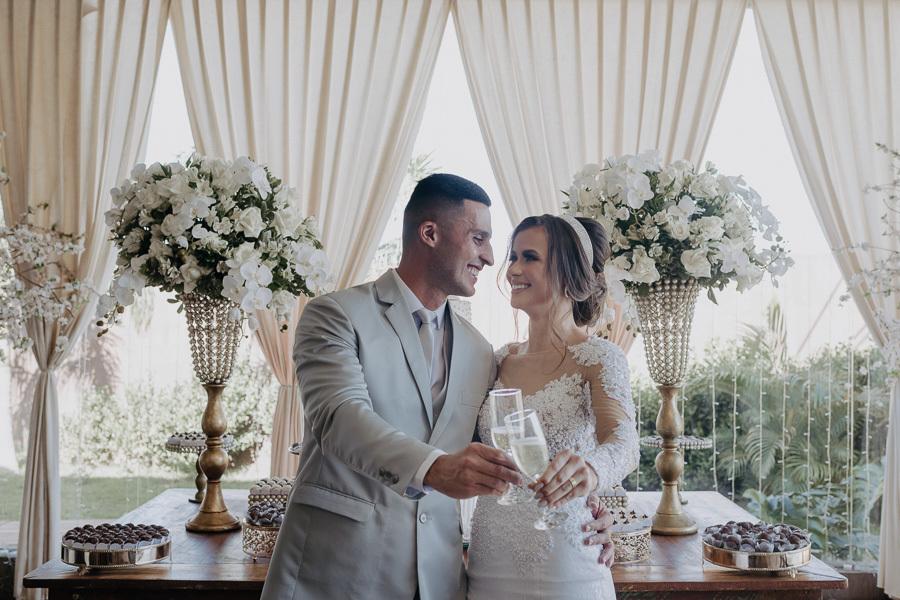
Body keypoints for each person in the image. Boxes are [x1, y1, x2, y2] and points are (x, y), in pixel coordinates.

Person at [261, 176, 614, 600]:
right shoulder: (334, 315)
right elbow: (339, 418)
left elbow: (514, 454)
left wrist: (587, 506)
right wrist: (433, 468)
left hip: (442, 581)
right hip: (337, 572)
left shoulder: (482, 352)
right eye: (479, 238)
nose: (489, 258)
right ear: (430, 233)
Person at [466, 214, 640, 599]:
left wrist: (592, 473)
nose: (513, 268)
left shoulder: (599, 358)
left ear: (569, 271)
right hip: (489, 557)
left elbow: (625, 443)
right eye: (513, 256)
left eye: (530, 257)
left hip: (566, 557)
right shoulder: (494, 361)